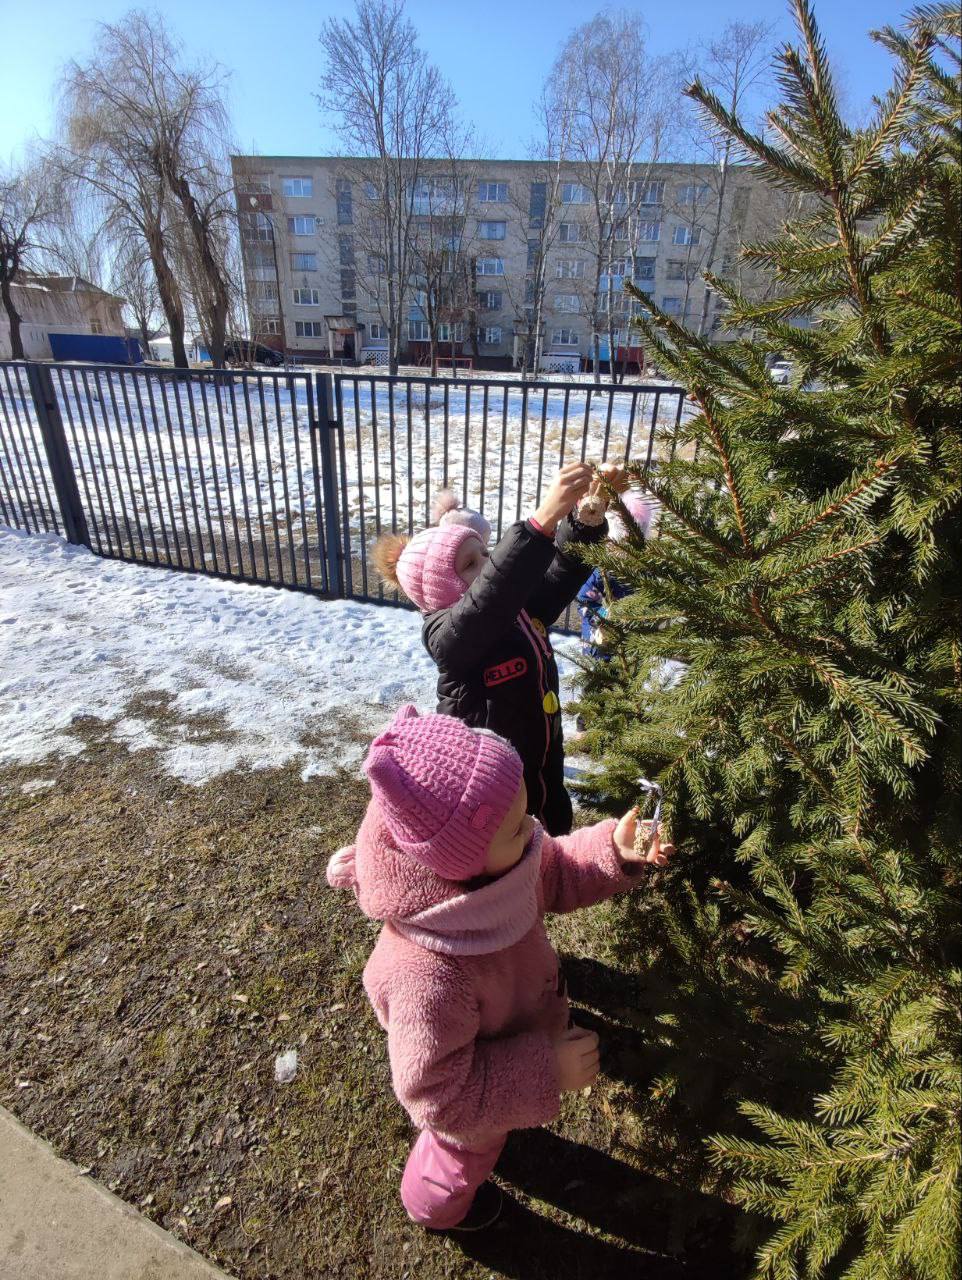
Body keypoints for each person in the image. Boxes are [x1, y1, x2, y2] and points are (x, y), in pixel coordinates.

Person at [327, 706, 675, 1231]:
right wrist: (544, 1072)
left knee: (489, 1118)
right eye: (517, 827)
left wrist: (613, 849)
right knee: (465, 1149)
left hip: (506, 1023)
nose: (533, 828)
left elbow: (553, 868)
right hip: (466, 1076)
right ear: (459, 863)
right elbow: (439, 1096)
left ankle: (498, 1119)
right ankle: (433, 1206)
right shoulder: (429, 977)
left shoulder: (501, 865)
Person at [372, 463, 627, 836]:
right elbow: (490, 596)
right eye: (471, 564)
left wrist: (584, 523)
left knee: (553, 835)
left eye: (486, 554)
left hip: (543, 767)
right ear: (445, 588)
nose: (488, 564)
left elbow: (556, 575)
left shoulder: (516, 611)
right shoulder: (449, 636)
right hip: (490, 796)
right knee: (508, 860)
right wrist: (539, 525)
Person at [577, 493, 654, 662]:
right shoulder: (602, 573)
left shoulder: (643, 573)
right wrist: (604, 614)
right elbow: (584, 601)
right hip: (598, 643)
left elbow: (652, 600)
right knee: (599, 678)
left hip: (631, 646)